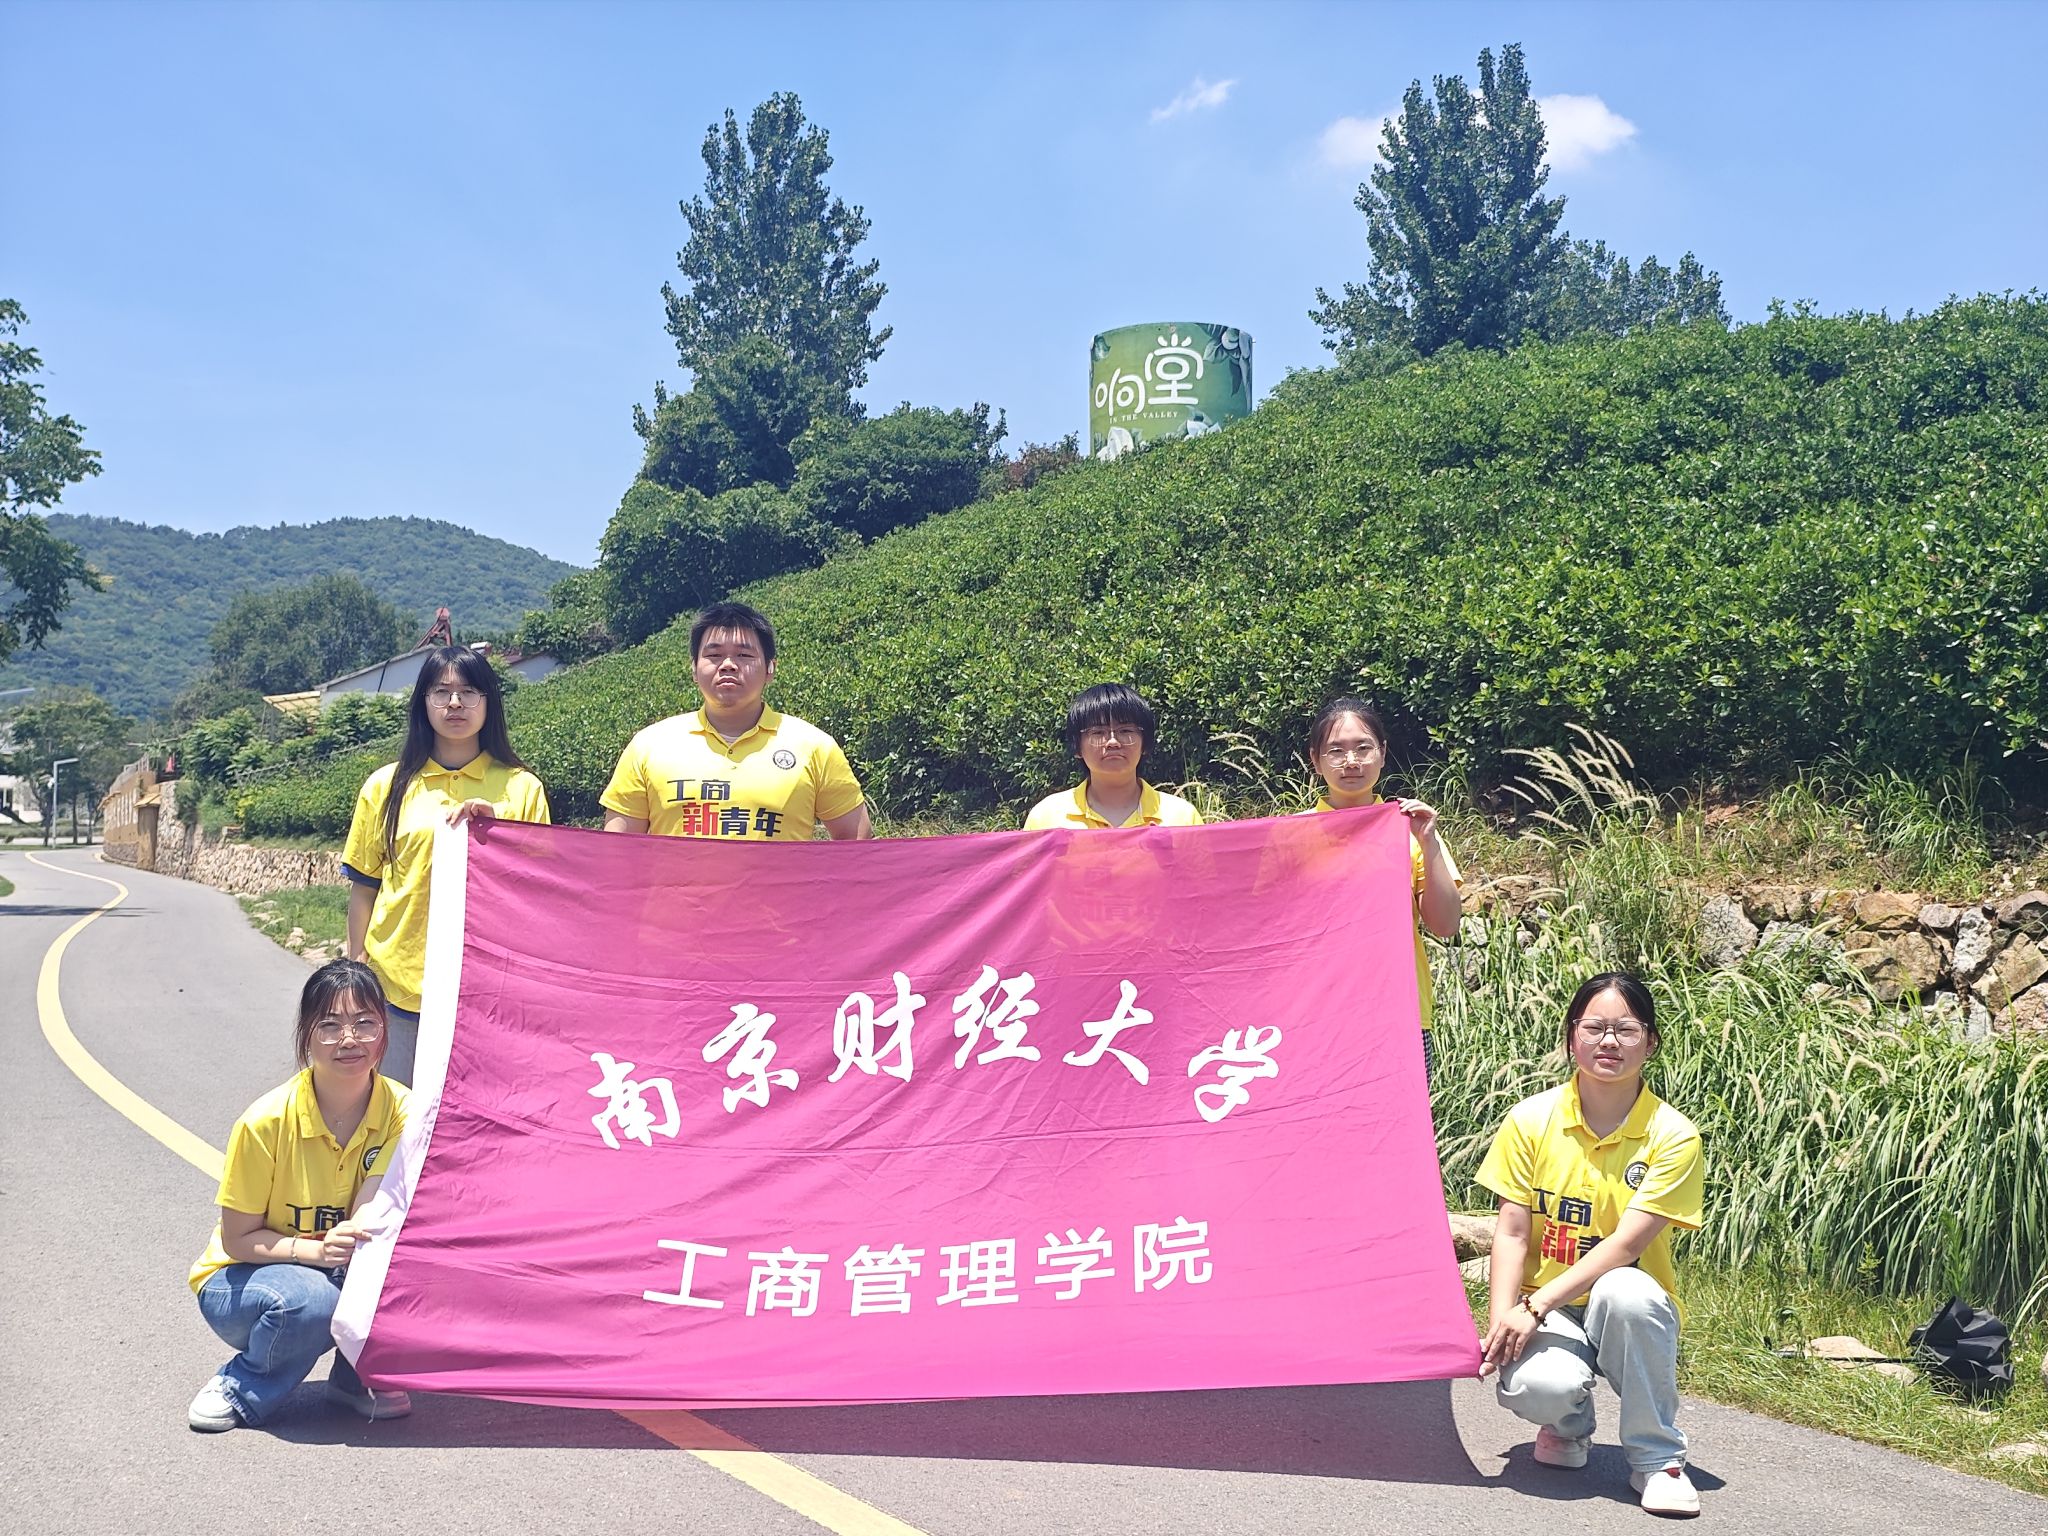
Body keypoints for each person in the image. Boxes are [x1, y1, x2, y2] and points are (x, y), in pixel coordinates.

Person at [1476, 972, 1705, 1518]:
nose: (1609, 1041)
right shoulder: (1530, 1120)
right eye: (1594, 1027)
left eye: (1626, 1029)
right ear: (1570, 1037)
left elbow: (1626, 1246)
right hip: (1546, 1303)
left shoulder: (1674, 1136)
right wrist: (1503, 1320)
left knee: (1628, 1291)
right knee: (1537, 1387)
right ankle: (1568, 1426)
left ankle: (1658, 1459)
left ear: (1650, 1042)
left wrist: (1535, 1306)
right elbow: (1512, 1231)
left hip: (1620, 1303)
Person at [187, 960, 413, 1432]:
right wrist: (316, 1251)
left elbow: (372, 1204)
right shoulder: (264, 1122)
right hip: (241, 1279)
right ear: (306, 1035)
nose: (349, 1040)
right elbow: (237, 1240)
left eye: (364, 1023)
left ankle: (355, 1378)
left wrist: (354, 1235)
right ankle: (241, 1384)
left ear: (384, 1030)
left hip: (336, 1267)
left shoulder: (403, 1110)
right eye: (329, 1026)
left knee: (409, 1264)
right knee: (312, 1301)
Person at [342, 645, 549, 1084]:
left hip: (489, 989)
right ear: (423, 703)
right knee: (395, 1112)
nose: (455, 703)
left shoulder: (523, 789)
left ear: (489, 703)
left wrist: (498, 832)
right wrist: (357, 965)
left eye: (469, 692)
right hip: (398, 986)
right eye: (441, 692)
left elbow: (538, 892)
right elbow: (365, 886)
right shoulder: (385, 787)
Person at [601, 601, 874, 842]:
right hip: (675, 890)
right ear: (694, 669)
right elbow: (619, 851)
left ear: (770, 668)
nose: (728, 665)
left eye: (744, 655)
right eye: (714, 655)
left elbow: (856, 839)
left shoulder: (815, 747)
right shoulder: (649, 746)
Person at [1304, 698, 1461, 1070]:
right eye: (1336, 751)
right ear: (1316, 761)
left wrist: (1429, 842)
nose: (1351, 761)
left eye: (1363, 748)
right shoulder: (1292, 836)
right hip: (1316, 1019)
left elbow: (1446, 924)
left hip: (1400, 1015)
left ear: (1383, 753)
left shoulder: (1412, 830)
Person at [1023, 683, 1203, 830]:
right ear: (1077, 746)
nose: (1112, 741)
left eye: (1125, 731)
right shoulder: (1046, 818)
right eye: (1098, 732)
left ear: (1145, 742)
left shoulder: (1182, 818)